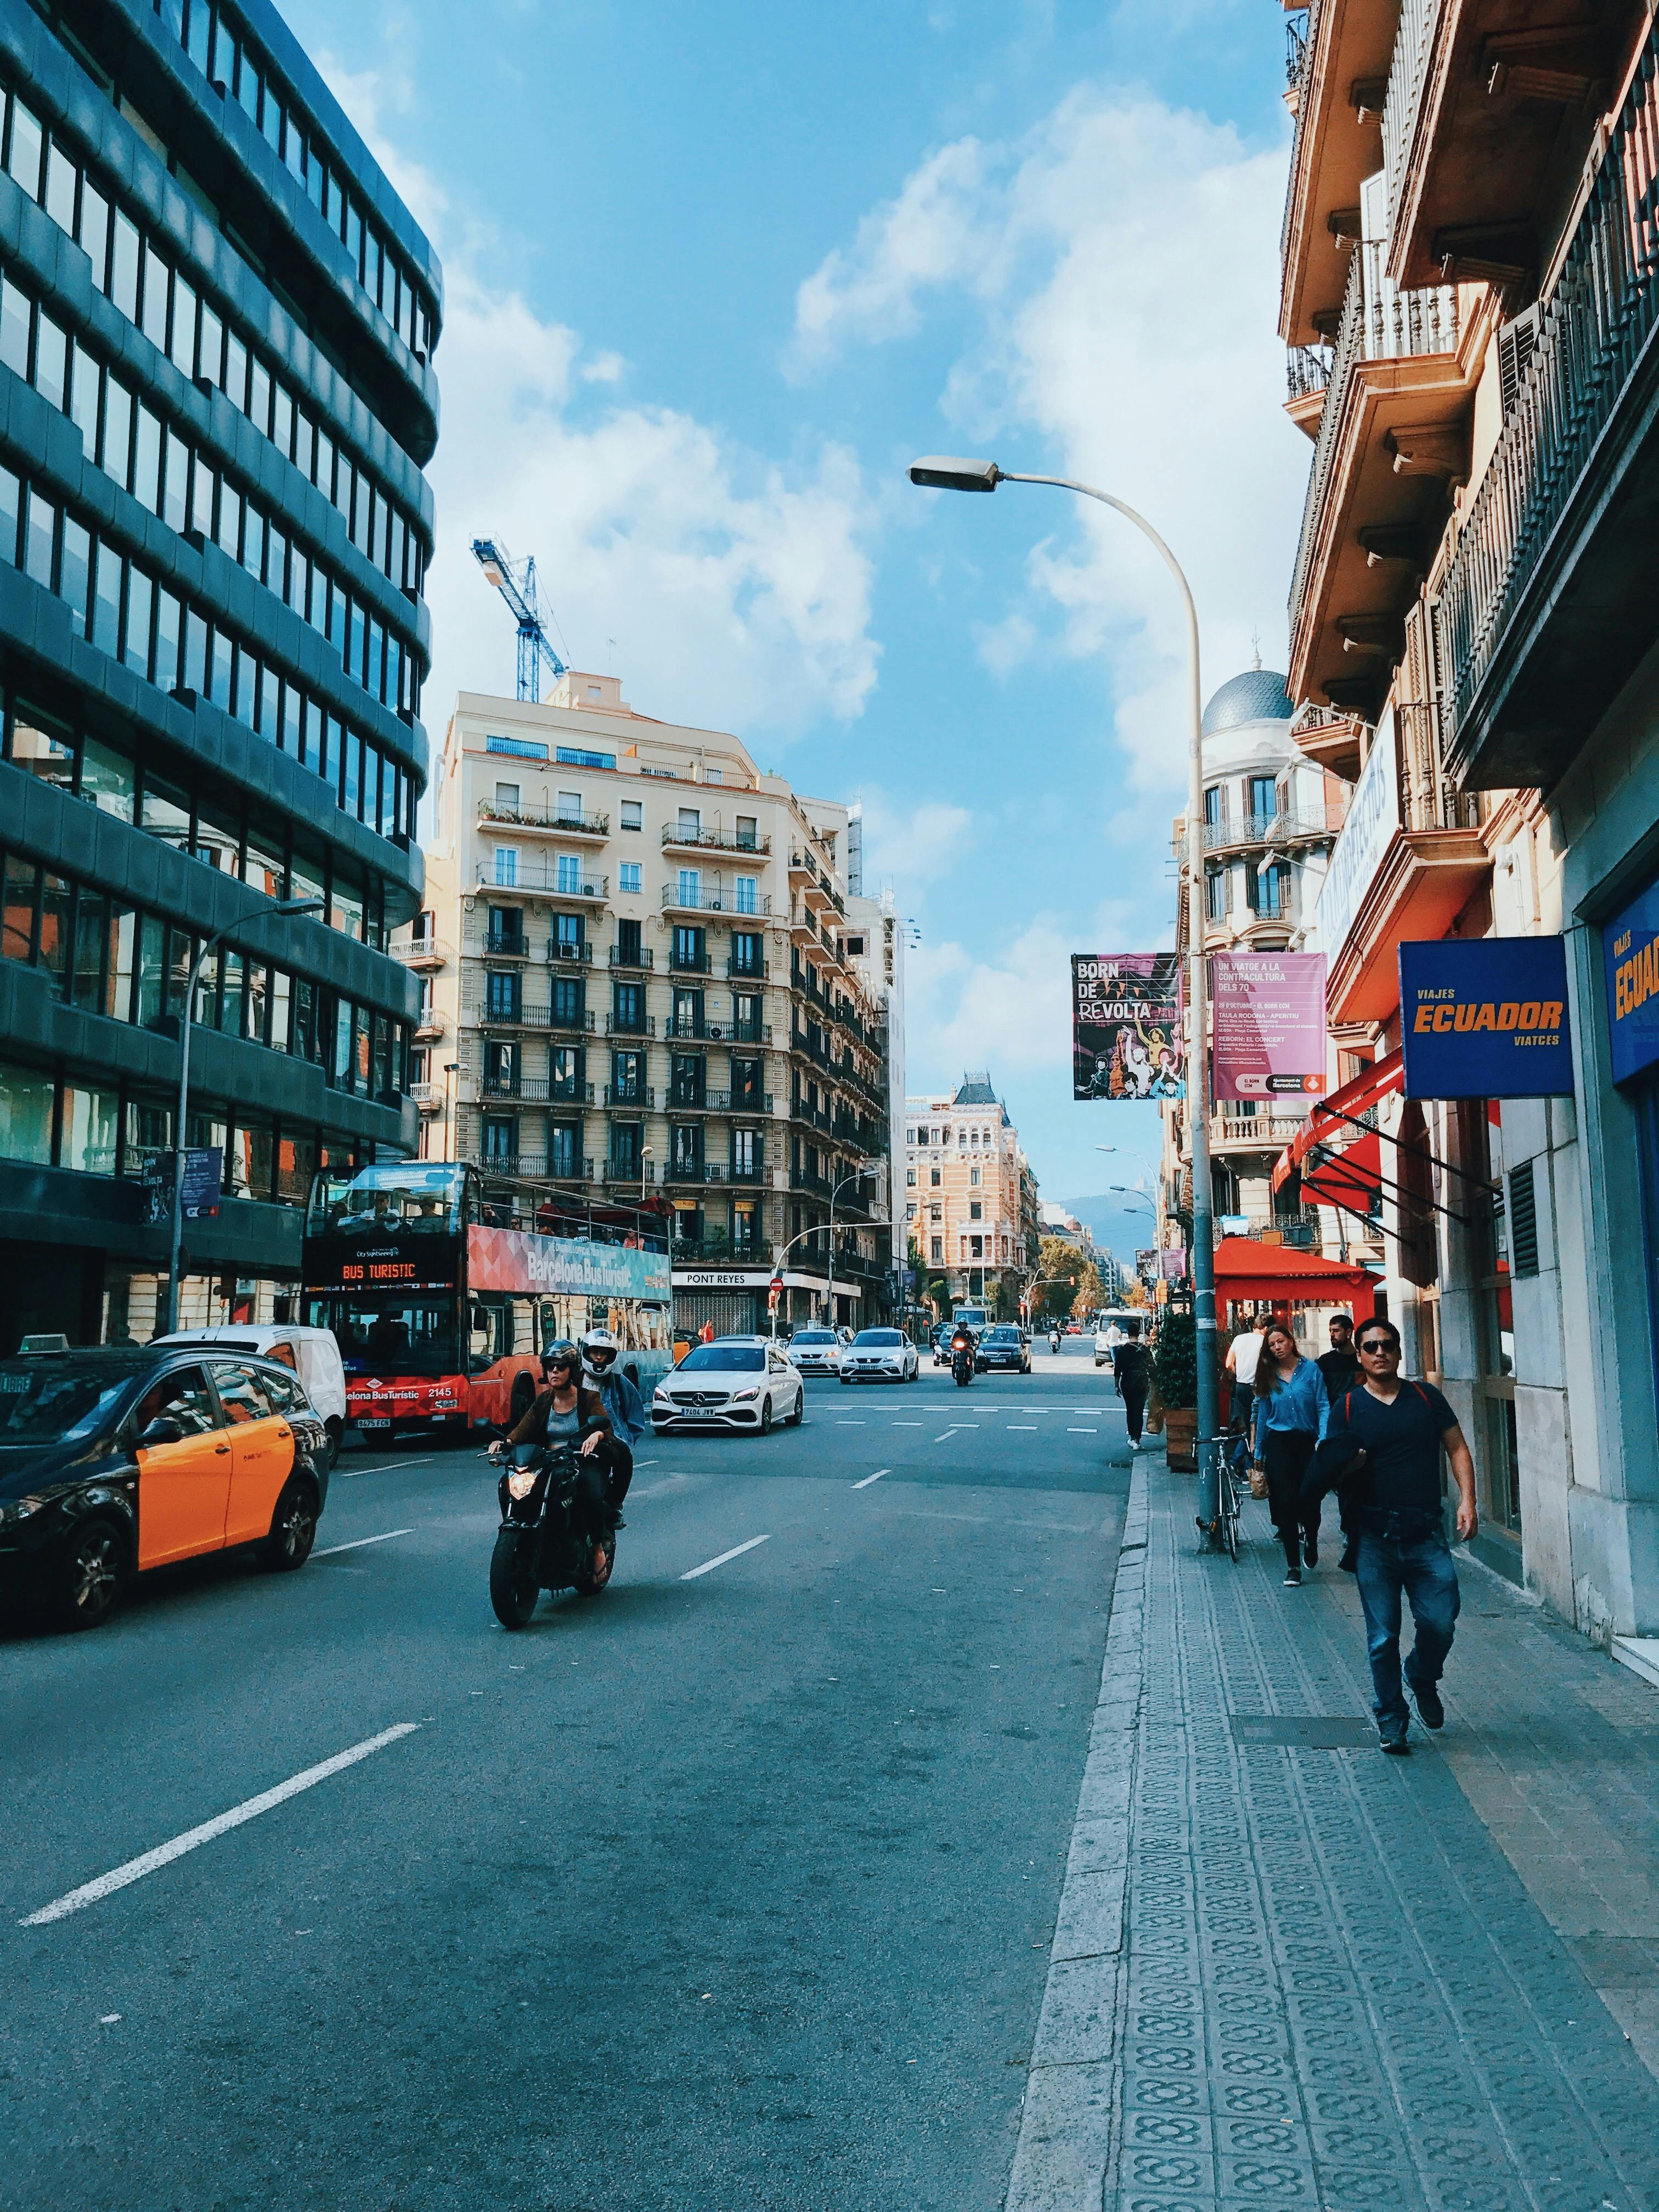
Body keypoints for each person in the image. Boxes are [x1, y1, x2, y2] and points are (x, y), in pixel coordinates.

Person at [1328, 1317, 1476, 1754]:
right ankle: (1391, 1719)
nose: (1380, 1352)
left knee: (1441, 1621)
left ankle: (1422, 1675)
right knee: (1382, 1636)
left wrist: (1468, 1500)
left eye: (1387, 1345)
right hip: (1374, 1537)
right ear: (1360, 1355)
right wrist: (1348, 1467)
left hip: (1425, 1533)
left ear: (1398, 1351)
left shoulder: (1425, 1399)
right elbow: (1330, 1469)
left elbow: (1457, 1447)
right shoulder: (1349, 1407)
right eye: (1370, 1346)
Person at [494, 1341, 619, 1541]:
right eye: (550, 1367)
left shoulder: (589, 1398)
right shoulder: (544, 1400)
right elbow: (523, 1428)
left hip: (580, 1460)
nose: (554, 1371)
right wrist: (505, 1442)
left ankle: (597, 1547)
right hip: (549, 1461)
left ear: (572, 1370)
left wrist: (598, 1434)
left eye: (561, 1367)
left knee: (592, 1495)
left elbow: (606, 1426)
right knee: (508, 1484)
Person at [1251, 1320, 1329, 1585]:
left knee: (1311, 1499)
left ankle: (1312, 1538)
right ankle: (1293, 1566)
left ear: (1291, 1341)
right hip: (1279, 1443)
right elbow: (1263, 1413)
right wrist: (1258, 1450)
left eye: (1280, 1342)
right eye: (1272, 1345)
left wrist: (1324, 1437)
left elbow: (1322, 1405)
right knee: (1285, 1502)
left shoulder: (1311, 1370)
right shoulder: (1268, 1374)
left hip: (1308, 1442)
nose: (1277, 1348)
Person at [579, 1325, 646, 1527]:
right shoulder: (573, 1382)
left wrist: (624, 1440)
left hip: (610, 1439)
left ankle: (615, 1506)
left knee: (623, 1461)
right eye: (595, 1352)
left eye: (604, 1354)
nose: (599, 1358)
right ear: (586, 1353)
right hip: (579, 1439)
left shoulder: (619, 1383)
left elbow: (635, 1414)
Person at [1112, 1317, 1151, 1452]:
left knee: (1130, 1410)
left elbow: (1118, 1369)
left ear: (1128, 1334)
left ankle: (1132, 1437)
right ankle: (1137, 1440)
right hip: (1142, 1381)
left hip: (1127, 1382)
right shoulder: (1145, 1349)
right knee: (1139, 1411)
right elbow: (1152, 1366)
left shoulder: (1122, 1351)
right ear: (1139, 1334)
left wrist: (1116, 1385)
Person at [1317, 1312, 1361, 1398]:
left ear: (1348, 1332)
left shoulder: (1362, 1359)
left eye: (1336, 1331)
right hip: (1334, 1409)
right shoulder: (1325, 1362)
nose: (1332, 1334)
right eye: (1331, 1331)